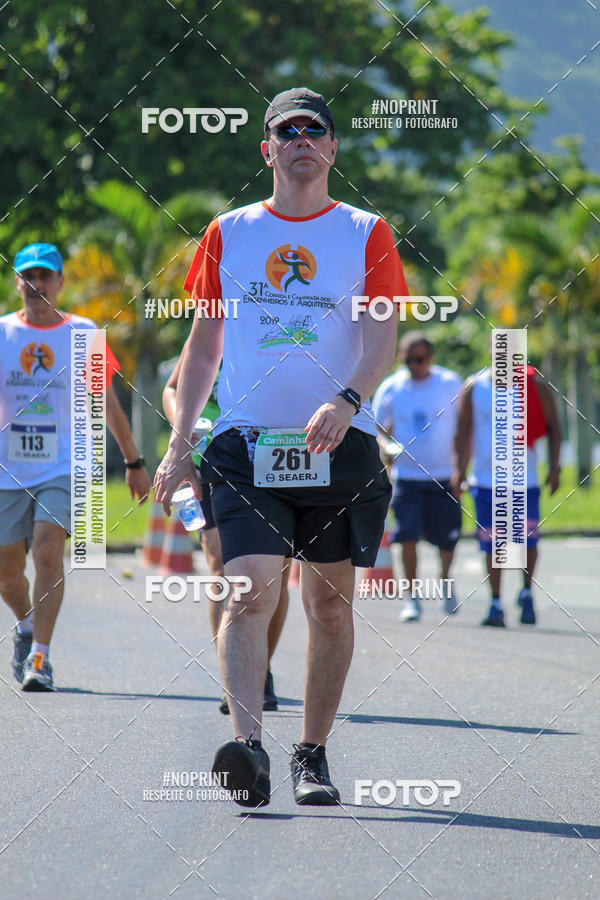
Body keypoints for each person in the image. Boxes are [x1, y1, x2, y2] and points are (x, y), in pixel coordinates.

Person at [154, 87, 407, 807]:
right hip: (244, 445)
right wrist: (178, 445)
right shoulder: (227, 232)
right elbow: (203, 350)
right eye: (285, 131)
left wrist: (347, 399)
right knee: (248, 593)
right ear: (267, 149)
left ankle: (313, 755)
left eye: (314, 130)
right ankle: (250, 748)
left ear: (331, 148)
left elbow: (382, 333)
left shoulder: (365, 231)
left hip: (340, 444)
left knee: (329, 607)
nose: (301, 139)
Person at [0, 242, 151, 691]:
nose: (37, 284)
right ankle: (25, 628)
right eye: (29, 276)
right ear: (17, 283)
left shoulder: (83, 334)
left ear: (61, 283)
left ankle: (40, 658)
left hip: (62, 465)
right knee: (7, 573)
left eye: (46, 276)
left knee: (48, 549)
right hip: (7, 468)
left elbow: (106, 402)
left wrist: (133, 460)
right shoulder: (3, 334)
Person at [162, 345, 289, 712]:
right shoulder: (212, 332)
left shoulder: (276, 331)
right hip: (205, 466)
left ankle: (260, 666)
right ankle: (233, 674)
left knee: (278, 571)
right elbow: (171, 389)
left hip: (272, 461)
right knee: (221, 566)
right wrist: (186, 429)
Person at [452, 363, 561, 626]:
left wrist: (555, 467)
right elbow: (463, 429)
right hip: (486, 480)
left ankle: (526, 593)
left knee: (527, 540)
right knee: (492, 543)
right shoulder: (475, 386)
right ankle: (496, 603)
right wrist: (460, 469)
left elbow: (554, 425)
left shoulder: (534, 385)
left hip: (525, 480)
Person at [373, 331, 462, 622]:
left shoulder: (449, 383)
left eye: (420, 360)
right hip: (407, 478)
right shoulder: (393, 387)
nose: (414, 365)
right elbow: (376, 428)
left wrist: (462, 467)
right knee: (406, 536)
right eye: (408, 360)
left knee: (447, 540)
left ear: (431, 358)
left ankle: (446, 583)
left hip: (443, 476)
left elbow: (465, 426)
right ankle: (411, 598)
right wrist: (386, 446)